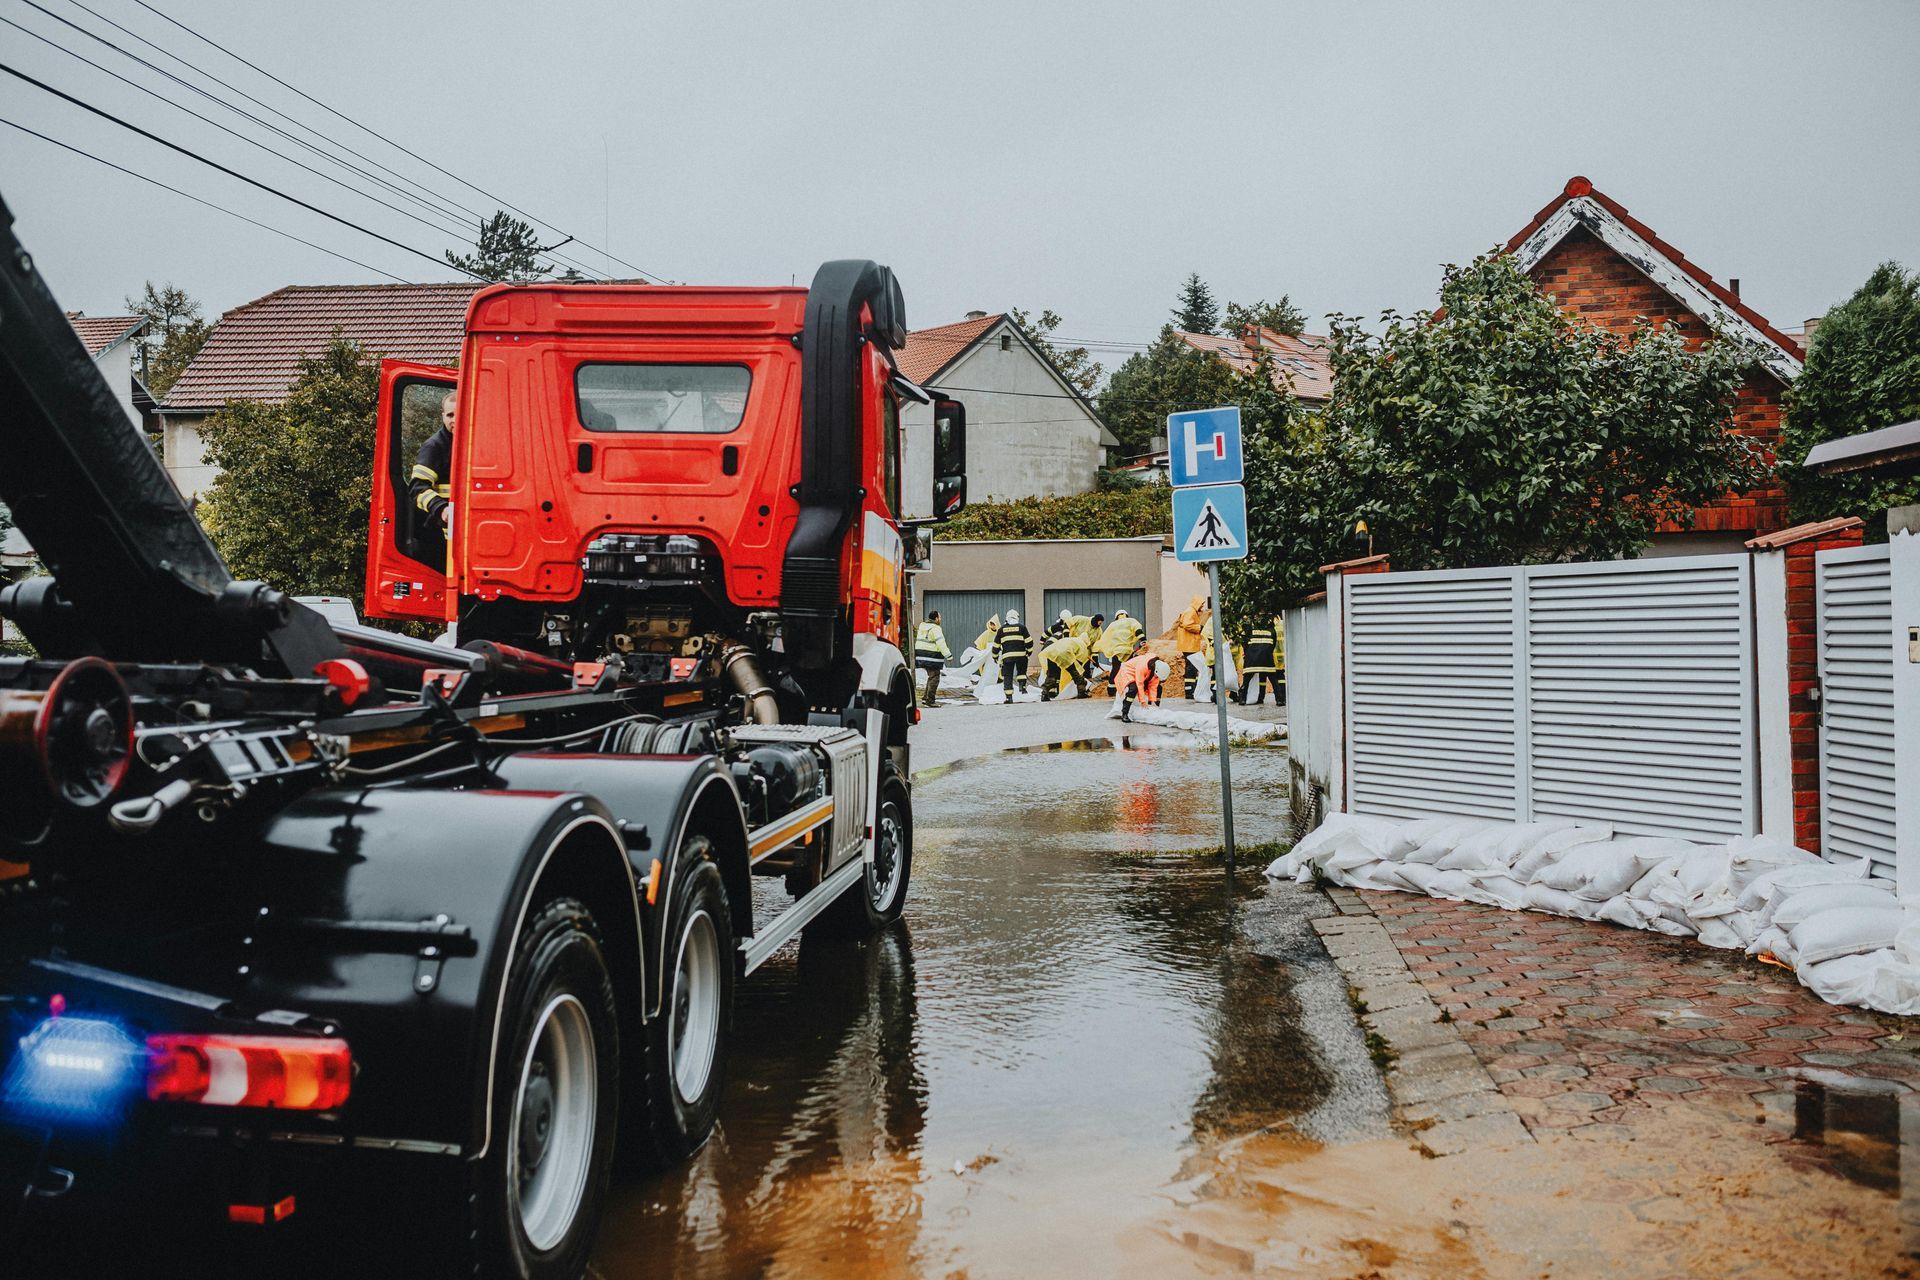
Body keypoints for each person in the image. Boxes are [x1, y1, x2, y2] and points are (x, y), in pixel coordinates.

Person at [409, 390, 458, 536]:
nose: (455, 419)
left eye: (460, 413)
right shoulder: (434, 446)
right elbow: (417, 488)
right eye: (450, 415)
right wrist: (442, 509)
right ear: (443, 416)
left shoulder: (475, 442)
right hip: (441, 532)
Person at [1112, 644, 1166, 723]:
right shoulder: (1143, 666)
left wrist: (1152, 701)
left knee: (1159, 688)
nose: (1157, 677)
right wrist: (1143, 702)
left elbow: (1153, 687)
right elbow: (1140, 684)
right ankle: (1125, 713)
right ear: (1156, 670)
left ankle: (1153, 709)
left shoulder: (1157, 669)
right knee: (1134, 689)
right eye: (1157, 676)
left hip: (1143, 674)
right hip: (1128, 672)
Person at [1038, 631, 1092, 701]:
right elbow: (1079, 663)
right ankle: (1082, 692)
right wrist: (1078, 674)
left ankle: (1044, 693)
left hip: (1052, 652)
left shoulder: (1071, 639)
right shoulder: (1083, 645)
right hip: (1065, 654)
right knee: (1077, 676)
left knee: (1052, 676)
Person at [1239, 618, 1282, 705]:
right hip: (1266, 657)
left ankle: (1242, 698)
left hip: (1252, 657)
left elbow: (1244, 642)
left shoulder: (1249, 627)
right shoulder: (1271, 629)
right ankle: (1279, 699)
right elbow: (1273, 644)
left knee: (1247, 679)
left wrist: (1247, 653)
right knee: (1273, 679)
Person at [1173, 593, 1209, 698]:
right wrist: (1199, 628)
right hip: (1189, 645)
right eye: (1201, 604)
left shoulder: (1191, 611)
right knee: (1192, 667)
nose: (1202, 606)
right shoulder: (1190, 612)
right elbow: (1188, 624)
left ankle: (1192, 690)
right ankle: (1190, 691)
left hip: (1190, 644)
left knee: (1193, 666)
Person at [914, 610, 951, 707]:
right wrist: (948, 655)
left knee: (931, 676)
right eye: (940, 617)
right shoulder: (936, 628)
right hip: (931, 657)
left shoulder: (923, 626)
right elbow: (941, 643)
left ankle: (925, 698)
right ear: (936, 618)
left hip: (921, 655)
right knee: (935, 677)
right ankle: (930, 701)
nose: (940, 619)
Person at [997, 609, 1032, 697]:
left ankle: (1009, 697)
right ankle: (1022, 688)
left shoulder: (1001, 629)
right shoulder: (1022, 627)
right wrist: (1029, 652)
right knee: (1021, 672)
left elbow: (996, 645)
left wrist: (995, 656)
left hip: (1007, 657)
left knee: (1008, 676)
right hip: (1021, 655)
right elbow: (1029, 642)